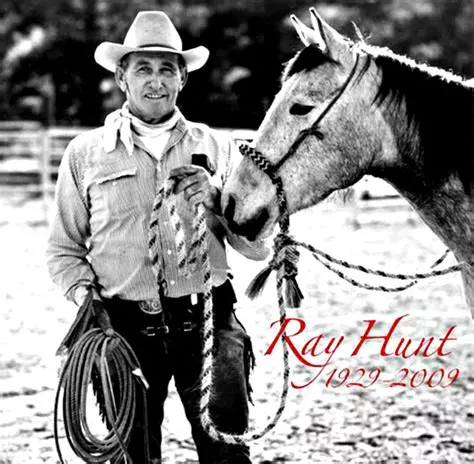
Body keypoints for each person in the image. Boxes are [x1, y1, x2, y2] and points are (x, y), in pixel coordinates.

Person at [46, 11, 269, 464]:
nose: (155, 81)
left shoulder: (218, 147)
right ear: (121, 77)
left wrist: (217, 201)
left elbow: (257, 246)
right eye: (143, 68)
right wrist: (88, 303)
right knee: (133, 455)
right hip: (123, 327)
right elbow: (63, 250)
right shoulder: (85, 154)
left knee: (227, 453)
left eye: (167, 69)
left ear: (182, 78)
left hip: (207, 320)